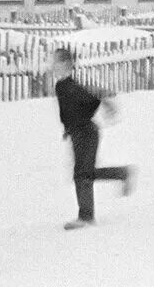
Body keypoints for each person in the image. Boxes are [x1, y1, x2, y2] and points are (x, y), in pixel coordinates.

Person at [53, 47, 135, 230]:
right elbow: (72, 110)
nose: (53, 65)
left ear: (67, 64)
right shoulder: (64, 85)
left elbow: (89, 100)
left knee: (82, 174)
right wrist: (69, 128)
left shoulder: (68, 86)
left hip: (86, 133)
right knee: (85, 173)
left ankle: (86, 217)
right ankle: (122, 173)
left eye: (57, 61)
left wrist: (102, 101)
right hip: (81, 133)